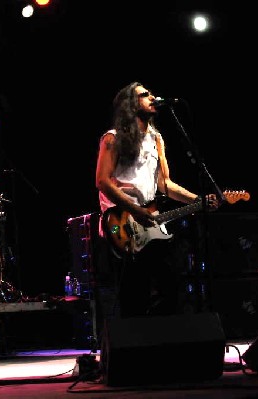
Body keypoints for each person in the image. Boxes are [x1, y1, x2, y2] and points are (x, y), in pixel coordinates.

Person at [94, 81, 220, 323]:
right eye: (144, 94)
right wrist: (135, 210)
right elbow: (102, 181)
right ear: (130, 104)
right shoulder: (113, 138)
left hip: (150, 222)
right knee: (134, 291)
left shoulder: (156, 139)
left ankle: (158, 336)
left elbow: (165, 184)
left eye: (151, 93)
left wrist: (198, 199)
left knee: (171, 285)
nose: (152, 97)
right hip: (122, 223)